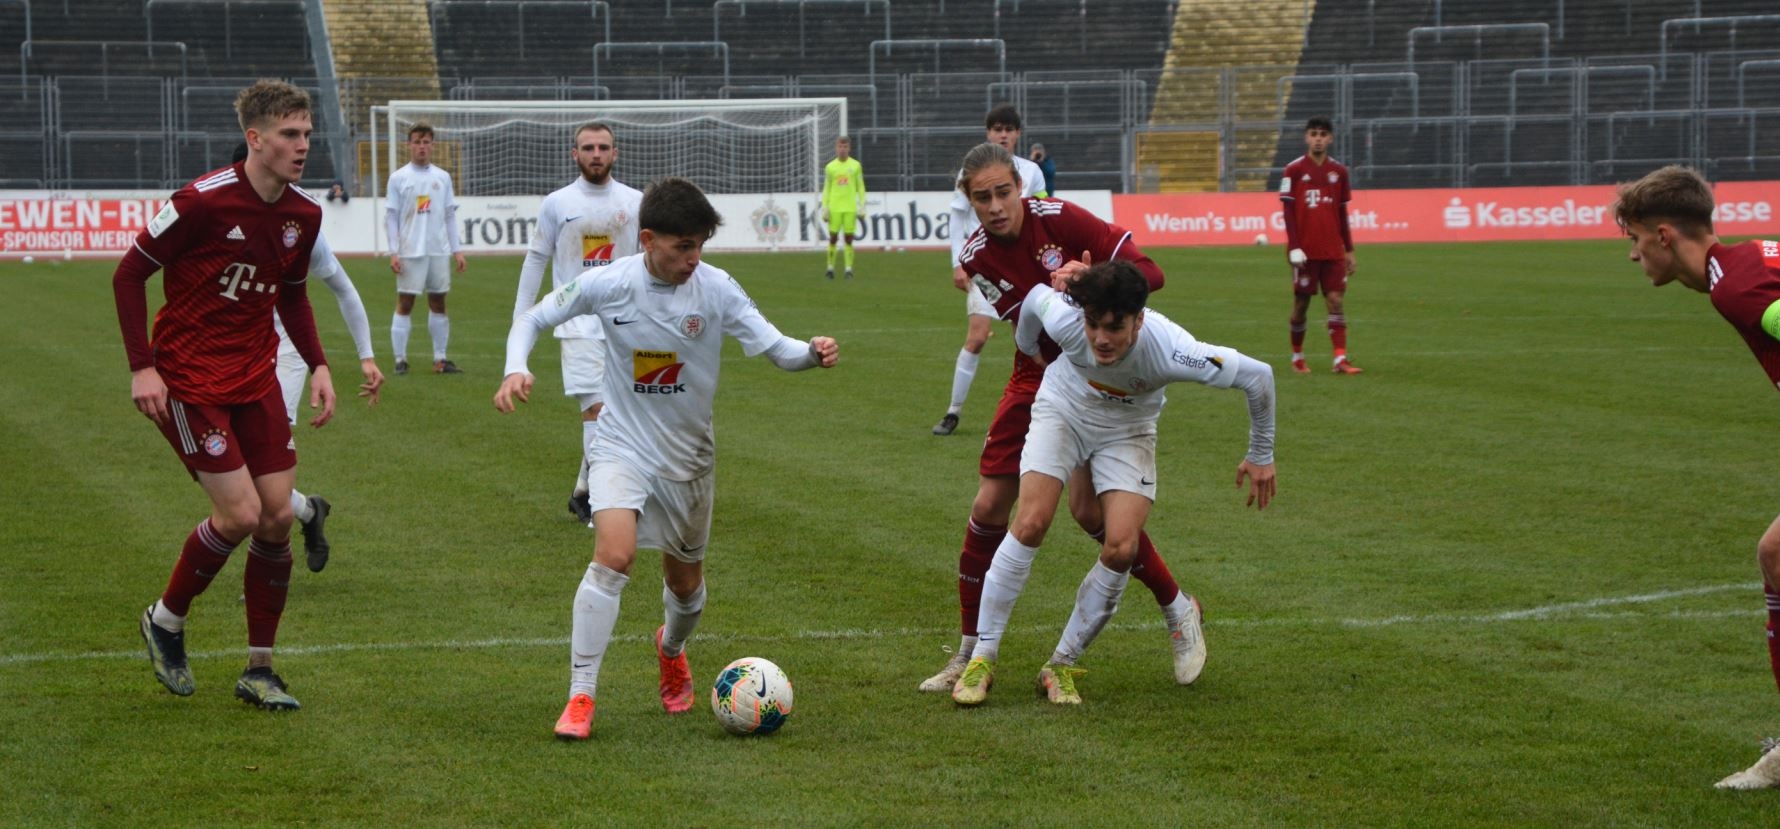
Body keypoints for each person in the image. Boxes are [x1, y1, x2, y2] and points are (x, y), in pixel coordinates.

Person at [494, 177, 840, 740]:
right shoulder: (607, 283)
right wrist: (516, 366)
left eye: (700, 245)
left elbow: (777, 348)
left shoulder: (718, 288)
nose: (693, 258)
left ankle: (671, 647)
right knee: (614, 557)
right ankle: (580, 697)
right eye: (683, 246)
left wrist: (812, 352)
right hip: (620, 444)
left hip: (688, 460)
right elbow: (532, 318)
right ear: (648, 239)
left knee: (684, 587)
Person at [919, 142, 1207, 694]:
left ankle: (1176, 609)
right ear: (969, 202)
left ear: (1020, 187)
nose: (997, 205)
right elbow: (1032, 331)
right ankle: (967, 653)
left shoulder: (1062, 218)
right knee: (988, 506)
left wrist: (1094, 273)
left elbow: (1150, 274)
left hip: (1099, 379)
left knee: (1091, 515)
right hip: (1040, 375)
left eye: (1004, 192)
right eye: (983, 198)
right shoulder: (977, 255)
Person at [952, 261, 1277, 706]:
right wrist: (1029, 348)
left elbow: (1258, 376)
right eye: (1093, 325)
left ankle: (1061, 665)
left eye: (1114, 327)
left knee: (1121, 547)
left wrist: (1261, 454)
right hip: (1063, 410)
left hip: (1128, 429)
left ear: (1139, 319)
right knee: (1030, 522)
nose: (1101, 338)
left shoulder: (1173, 350)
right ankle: (983, 659)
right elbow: (1031, 301)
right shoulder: (1067, 318)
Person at [115, 79, 334, 711]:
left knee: (273, 518)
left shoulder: (303, 214)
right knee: (238, 514)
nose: (302, 146)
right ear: (255, 138)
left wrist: (318, 365)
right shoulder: (199, 202)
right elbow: (130, 274)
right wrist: (142, 368)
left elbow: (291, 294)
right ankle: (166, 620)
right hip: (187, 382)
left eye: (308, 134)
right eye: (290, 135)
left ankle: (260, 669)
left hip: (255, 377)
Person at [1613, 165, 1780, 790]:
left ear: (1662, 235)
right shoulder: (1746, 263)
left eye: (1632, 240)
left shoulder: (1737, 290)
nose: (1632, 256)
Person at [231, 142, 385, 572]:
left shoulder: (298, 227)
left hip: (284, 355)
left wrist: (366, 356)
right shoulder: (217, 217)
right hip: (231, 355)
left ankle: (260, 577)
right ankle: (308, 512)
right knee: (236, 472)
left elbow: (344, 289)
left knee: (259, 475)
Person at [512, 122, 642, 525]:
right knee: (597, 410)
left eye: (604, 147)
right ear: (575, 154)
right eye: (588, 147)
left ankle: (583, 488)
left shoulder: (635, 203)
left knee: (626, 413)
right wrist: (522, 320)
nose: (596, 154)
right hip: (578, 324)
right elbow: (536, 259)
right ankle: (599, 503)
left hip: (627, 323)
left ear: (615, 153)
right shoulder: (557, 203)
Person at [932, 104, 1050, 437]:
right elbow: (957, 218)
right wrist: (957, 262)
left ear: (1018, 135)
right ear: (988, 133)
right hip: (985, 266)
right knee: (978, 336)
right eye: (997, 129)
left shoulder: (1032, 172)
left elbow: (1042, 213)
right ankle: (953, 412)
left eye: (1009, 129)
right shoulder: (971, 171)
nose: (1003, 134)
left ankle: (1043, 409)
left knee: (1028, 342)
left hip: (1025, 270)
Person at [1279, 116, 1361, 375]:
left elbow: (1342, 213)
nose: (1318, 138)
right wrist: (1294, 245)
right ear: (1307, 137)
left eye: (1323, 134)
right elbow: (1289, 211)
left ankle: (1340, 359)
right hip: (1304, 252)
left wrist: (1348, 249)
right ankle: (1297, 356)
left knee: (1335, 300)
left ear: (1330, 139)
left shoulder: (1339, 172)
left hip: (1332, 251)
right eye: (1314, 134)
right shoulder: (1293, 170)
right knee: (1301, 304)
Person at [386, 122, 467, 375]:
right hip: (410, 249)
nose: (422, 147)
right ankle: (400, 360)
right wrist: (394, 251)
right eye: (417, 142)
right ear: (409, 145)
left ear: (432, 145)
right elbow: (391, 216)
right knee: (406, 302)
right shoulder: (399, 178)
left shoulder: (442, 177)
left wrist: (457, 250)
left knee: (439, 301)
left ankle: (440, 360)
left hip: (438, 250)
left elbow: (449, 216)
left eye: (426, 142)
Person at [820, 135, 866, 280]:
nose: (842, 149)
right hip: (834, 208)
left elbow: (860, 187)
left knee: (848, 239)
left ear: (849, 148)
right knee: (833, 238)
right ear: (836, 148)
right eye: (840, 146)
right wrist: (825, 207)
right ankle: (830, 268)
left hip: (850, 208)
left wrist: (863, 205)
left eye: (845, 147)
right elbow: (827, 188)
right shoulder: (830, 167)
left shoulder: (855, 166)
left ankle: (848, 269)